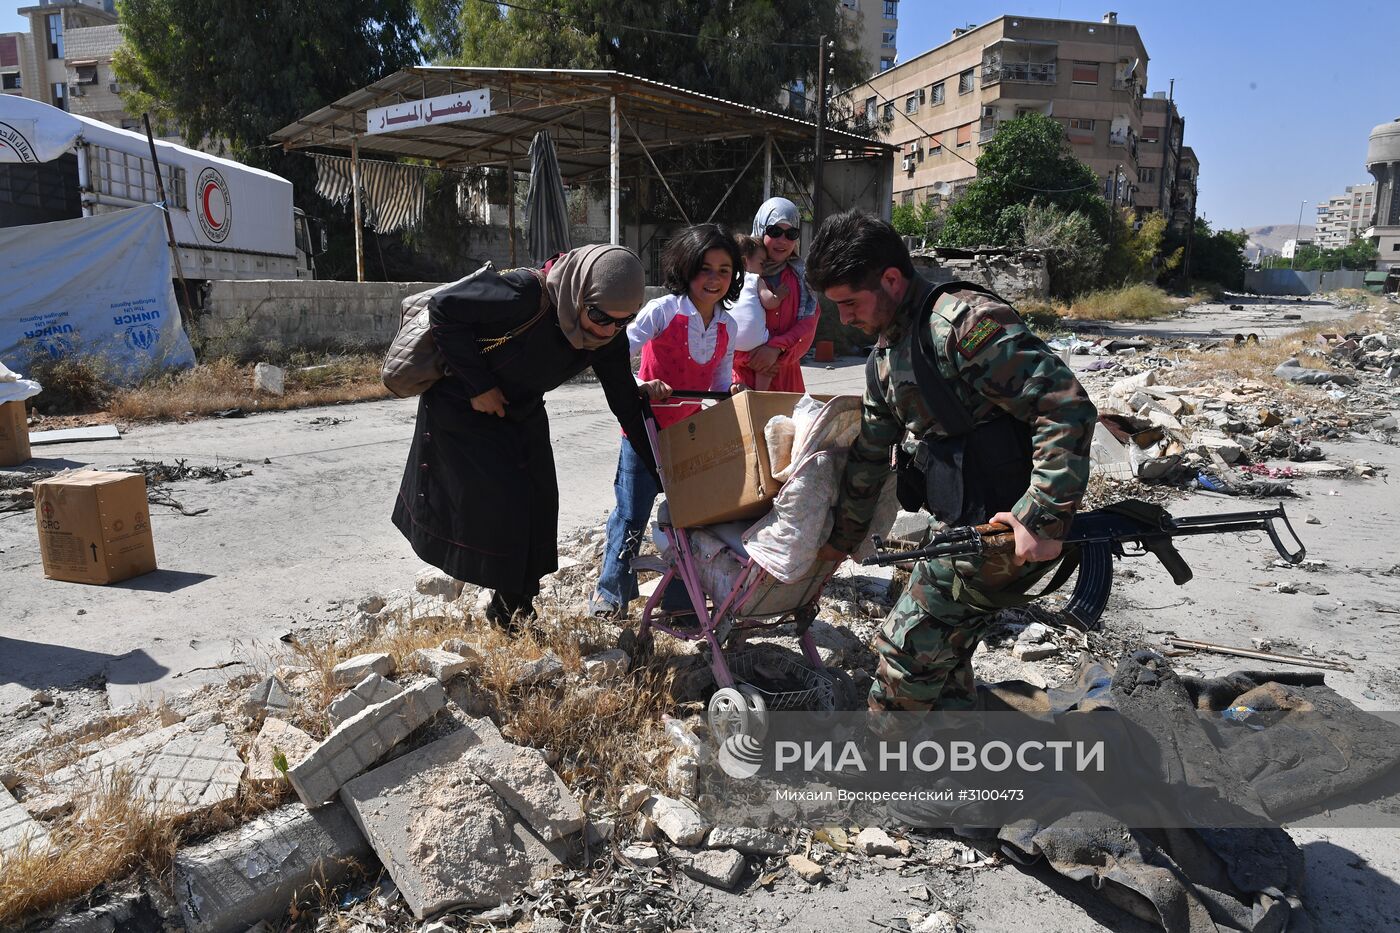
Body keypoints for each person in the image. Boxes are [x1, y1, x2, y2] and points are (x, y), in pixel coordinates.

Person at [806, 211, 1097, 712]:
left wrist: (1041, 518)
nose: (844, 318)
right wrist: (840, 541)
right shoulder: (884, 354)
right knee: (942, 654)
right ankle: (955, 760)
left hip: (1011, 524)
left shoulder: (961, 324)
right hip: (965, 522)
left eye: (850, 303)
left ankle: (880, 775)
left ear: (891, 280)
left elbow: (1065, 404)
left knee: (907, 649)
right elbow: (871, 454)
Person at [392, 244, 663, 630]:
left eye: (624, 322)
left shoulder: (607, 338)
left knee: (538, 503)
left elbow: (624, 400)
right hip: (464, 402)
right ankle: (511, 612)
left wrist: (661, 466)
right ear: (579, 292)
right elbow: (445, 308)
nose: (607, 329)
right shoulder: (524, 294)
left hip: (521, 407)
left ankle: (512, 608)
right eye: (600, 315)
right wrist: (479, 386)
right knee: (503, 507)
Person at [590, 225, 746, 618]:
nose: (714, 279)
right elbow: (618, 350)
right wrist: (642, 384)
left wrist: (731, 393)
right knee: (631, 513)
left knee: (688, 518)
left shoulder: (728, 326)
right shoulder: (664, 310)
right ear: (687, 269)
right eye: (705, 269)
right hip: (643, 432)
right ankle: (610, 593)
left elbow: (718, 380)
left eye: (724, 270)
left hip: (688, 435)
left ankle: (681, 601)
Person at [732, 197, 820, 392]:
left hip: (786, 378)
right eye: (775, 232)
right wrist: (748, 359)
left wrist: (776, 350)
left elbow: (808, 325)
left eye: (791, 233)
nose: (782, 240)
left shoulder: (802, 279)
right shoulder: (734, 275)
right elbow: (719, 325)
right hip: (741, 380)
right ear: (762, 229)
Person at [729, 234, 774, 389]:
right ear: (744, 261)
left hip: (731, 343)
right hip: (757, 343)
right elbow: (769, 302)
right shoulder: (755, 279)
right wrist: (779, 296)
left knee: (730, 368)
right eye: (762, 263)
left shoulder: (727, 281)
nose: (764, 269)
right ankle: (760, 393)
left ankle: (737, 385)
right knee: (765, 367)